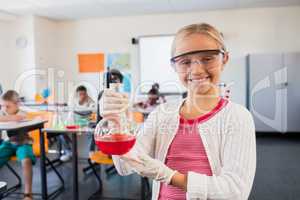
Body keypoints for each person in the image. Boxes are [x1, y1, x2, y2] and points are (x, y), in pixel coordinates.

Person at [99, 23, 256, 200]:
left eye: (207, 58)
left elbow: (235, 191)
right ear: (174, 66)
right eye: (185, 61)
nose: (196, 70)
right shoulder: (162, 114)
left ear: (224, 59)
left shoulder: (238, 117)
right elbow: (124, 166)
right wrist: (116, 121)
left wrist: (169, 176)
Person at [0, 90, 35, 200]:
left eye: (8, 106)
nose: (4, 109)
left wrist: (6, 118)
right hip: (8, 143)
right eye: (2, 106)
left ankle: (28, 193)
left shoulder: (22, 113)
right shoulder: (3, 113)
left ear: (17, 104)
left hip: (23, 143)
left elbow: (18, 119)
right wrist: (7, 117)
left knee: (26, 160)